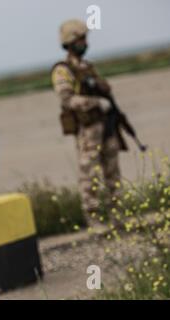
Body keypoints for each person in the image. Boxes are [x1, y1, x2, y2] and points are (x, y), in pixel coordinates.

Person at [51, 20, 124, 228]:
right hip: (88, 129)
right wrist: (95, 103)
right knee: (89, 175)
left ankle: (117, 218)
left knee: (113, 174)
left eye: (85, 38)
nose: (85, 42)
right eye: (81, 39)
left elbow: (105, 90)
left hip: (106, 126)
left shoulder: (87, 67)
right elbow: (67, 100)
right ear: (70, 41)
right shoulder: (62, 71)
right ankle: (95, 220)